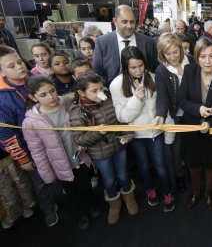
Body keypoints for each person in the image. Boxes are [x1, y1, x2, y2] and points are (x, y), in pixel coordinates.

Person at [22, 76, 100, 230]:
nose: (51, 97)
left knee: (86, 186)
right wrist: (47, 174)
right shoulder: (30, 122)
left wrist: (83, 142)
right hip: (61, 165)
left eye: (52, 91)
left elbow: (83, 124)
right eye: (43, 95)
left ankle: (91, 205)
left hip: (80, 158)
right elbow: (37, 151)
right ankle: (81, 214)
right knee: (71, 193)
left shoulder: (68, 104)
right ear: (33, 97)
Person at [109, 46, 175, 212]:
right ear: (125, 67)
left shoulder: (154, 77)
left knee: (160, 166)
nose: (138, 70)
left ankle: (168, 193)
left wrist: (168, 130)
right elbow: (122, 117)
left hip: (156, 133)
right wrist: (136, 100)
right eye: (133, 67)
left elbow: (163, 105)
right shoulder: (116, 85)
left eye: (141, 65)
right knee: (143, 167)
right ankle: (150, 190)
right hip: (137, 135)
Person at [0, 46, 58, 227]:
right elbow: (6, 133)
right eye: (11, 66)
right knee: (40, 182)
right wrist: (23, 158)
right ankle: (48, 208)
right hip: (31, 148)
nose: (19, 67)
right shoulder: (3, 98)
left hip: (52, 138)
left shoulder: (36, 80)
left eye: (19, 62)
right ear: (1, 71)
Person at [69, 72, 138, 224]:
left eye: (100, 88)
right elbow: (80, 139)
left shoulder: (108, 99)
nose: (100, 93)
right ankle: (114, 204)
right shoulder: (77, 111)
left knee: (124, 174)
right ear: (81, 93)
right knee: (108, 180)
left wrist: (127, 134)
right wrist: (98, 133)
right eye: (94, 91)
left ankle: (129, 198)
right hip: (100, 155)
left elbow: (121, 119)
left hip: (119, 147)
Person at [179, 38, 212, 210]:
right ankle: (196, 192)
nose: (207, 61)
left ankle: (209, 193)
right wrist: (198, 110)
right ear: (196, 58)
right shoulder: (189, 71)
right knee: (193, 164)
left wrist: (209, 123)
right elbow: (181, 100)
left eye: (211, 56)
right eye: (203, 56)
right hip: (192, 129)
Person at [155, 32, 195, 192]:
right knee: (176, 149)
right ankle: (179, 175)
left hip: (193, 112)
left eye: (175, 52)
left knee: (192, 145)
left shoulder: (191, 60)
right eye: (168, 53)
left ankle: (194, 171)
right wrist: (160, 115)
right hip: (175, 115)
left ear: (181, 48)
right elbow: (163, 97)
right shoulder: (161, 70)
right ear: (162, 54)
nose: (173, 57)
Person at [93, 4, 157, 85]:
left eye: (132, 22)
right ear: (115, 21)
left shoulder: (147, 42)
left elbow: (153, 68)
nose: (129, 26)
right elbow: (98, 71)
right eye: (124, 22)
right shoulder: (102, 42)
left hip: (143, 90)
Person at [0, 149, 35, 229]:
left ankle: (24, 207)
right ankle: (7, 217)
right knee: (4, 192)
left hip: (9, 154)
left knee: (19, 183)